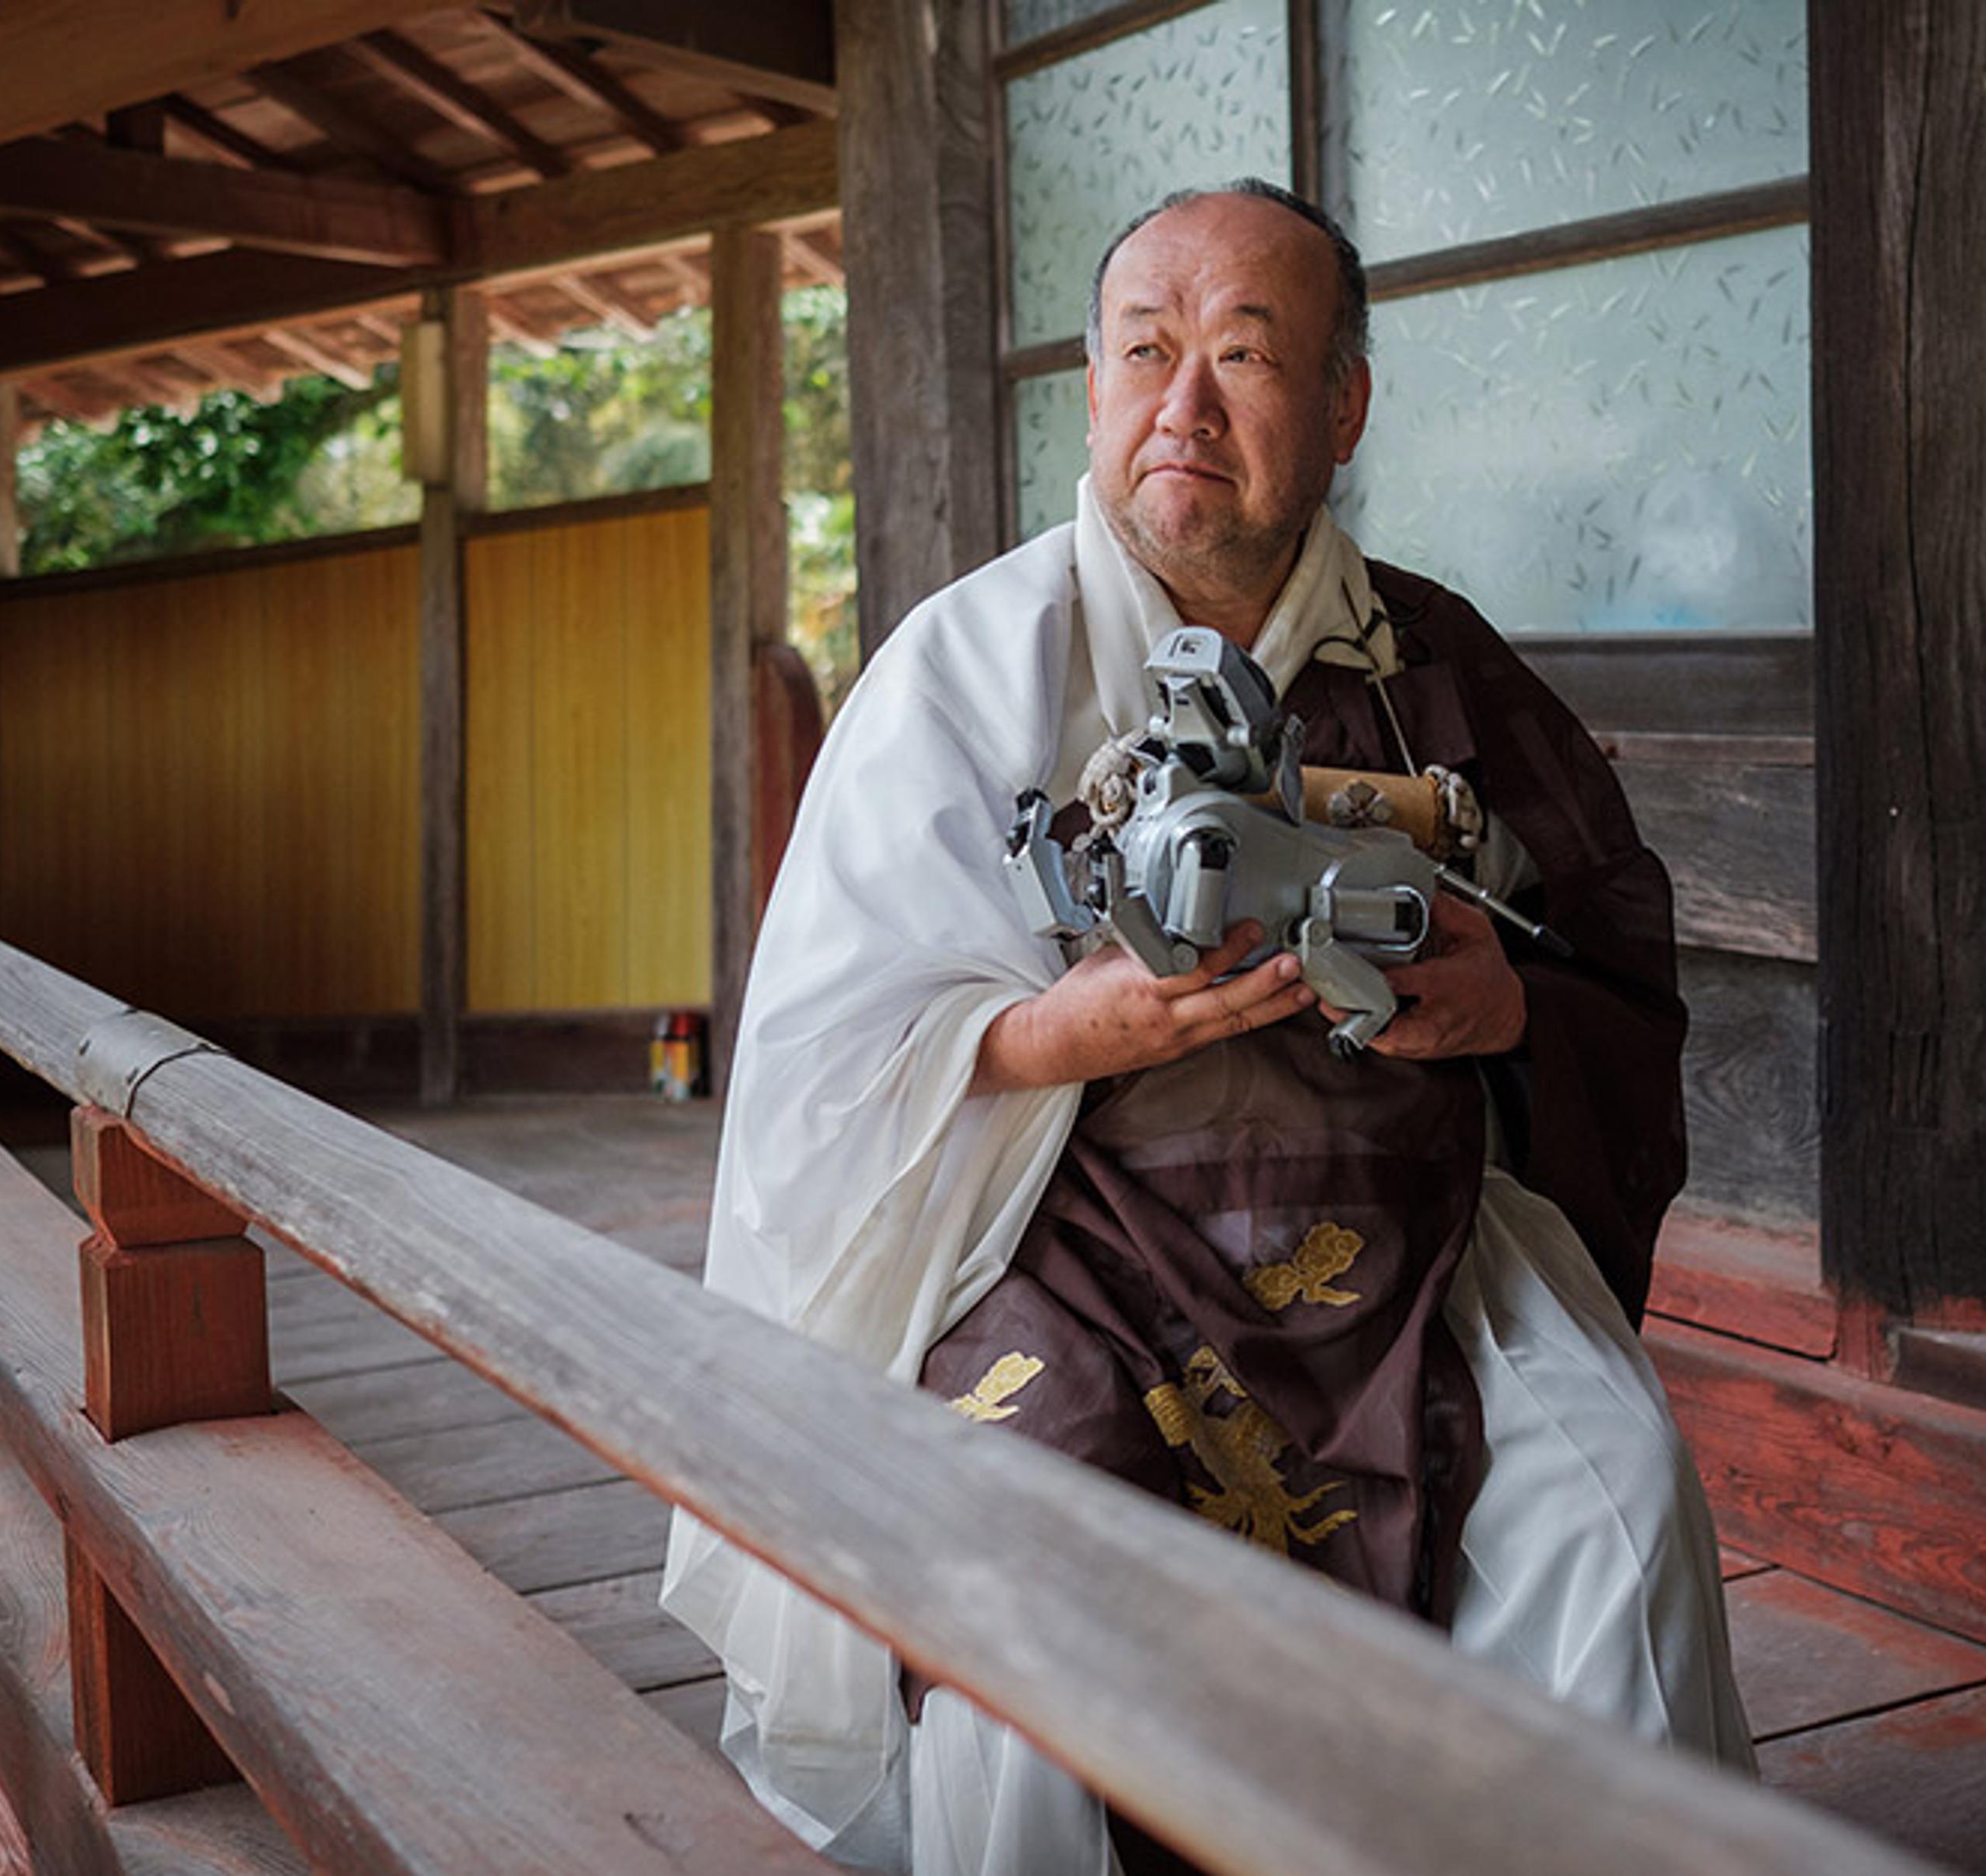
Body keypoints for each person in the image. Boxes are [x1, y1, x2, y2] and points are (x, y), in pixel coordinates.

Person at [662, 179, 1751, 1876]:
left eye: (1245, 355)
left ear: (1340, 408)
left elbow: (1607, 955)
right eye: (1146, 352)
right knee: (1026, 1585)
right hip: (1070, 1249)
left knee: (1611, 1510)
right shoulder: (965, 669)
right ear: (1091, 394)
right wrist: (1059, 1033)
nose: (1186, 401)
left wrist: (1506, 1001)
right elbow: (823, 1075)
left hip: (1421, 1233)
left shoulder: (1436, 668)